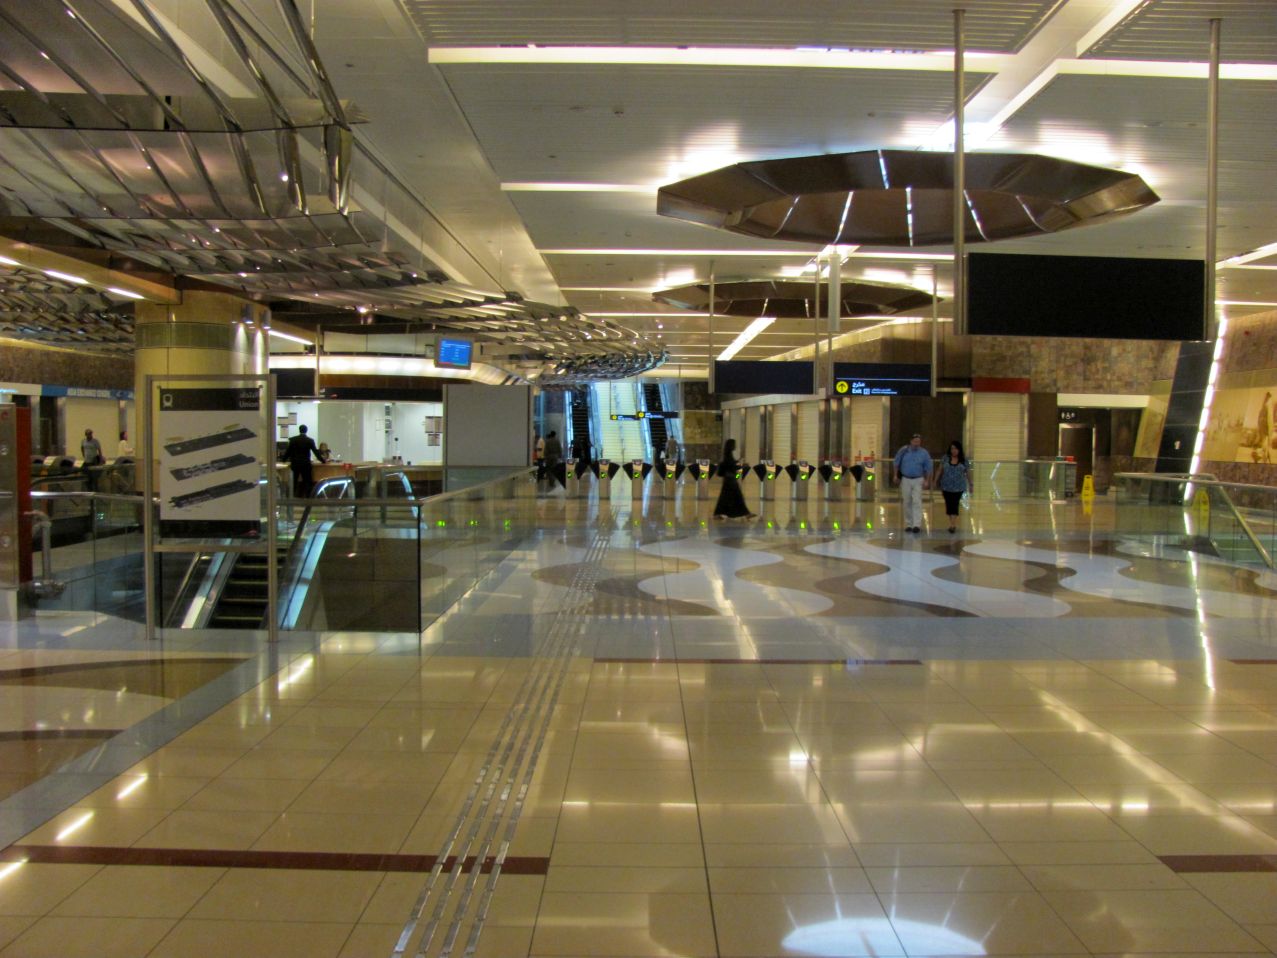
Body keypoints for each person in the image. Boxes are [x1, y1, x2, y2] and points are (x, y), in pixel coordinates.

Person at [893, 433, 931, 533]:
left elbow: (928, 468)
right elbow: (896, 463)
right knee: (907, 501)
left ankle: (916, 524)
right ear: (911, 441)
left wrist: (927, 480)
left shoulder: (924, 453)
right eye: (915, 441)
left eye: (918, 442)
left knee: (917, 501)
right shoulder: (903, 451)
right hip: (906, 479)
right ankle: (909, 524)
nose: (916, 444)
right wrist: (895, 475)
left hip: (918, 479)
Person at [933, 439, 972, 534]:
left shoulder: (964, 460)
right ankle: (951, 522)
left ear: (959, 449)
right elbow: (940, 470)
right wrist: (935, 480)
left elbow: (967, 472)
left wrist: (971, 484)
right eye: (952, 449)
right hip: (946, 486)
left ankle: (953, 524)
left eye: (955, 449)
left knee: (955, 504)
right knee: (949, 504)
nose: (954, 450)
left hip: (959, 487)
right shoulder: (945, 458)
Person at [712, 438, 754, 520]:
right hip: (730, 480)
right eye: (734, 444)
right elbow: (731, 466)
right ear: (731, 446)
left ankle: (718, 513)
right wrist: (741, 466)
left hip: (729, 479)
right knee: (737, 496)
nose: (735, 446)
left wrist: (737, 463)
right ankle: (746, 513)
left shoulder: (728, 454)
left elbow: (730, 464)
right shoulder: (728, 455)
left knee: (726, 497)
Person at [283, 424, 321, 497]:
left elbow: (288, 452)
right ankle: (308, 497)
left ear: (299, 430)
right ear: (306, 431)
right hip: (305, 464)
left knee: (294, 481)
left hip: (295, 464)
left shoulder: (293, 440)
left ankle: (291, 496)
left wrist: (283, 460)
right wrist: (323, 461)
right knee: (307, 481)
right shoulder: (310, 440)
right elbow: (315, 452)